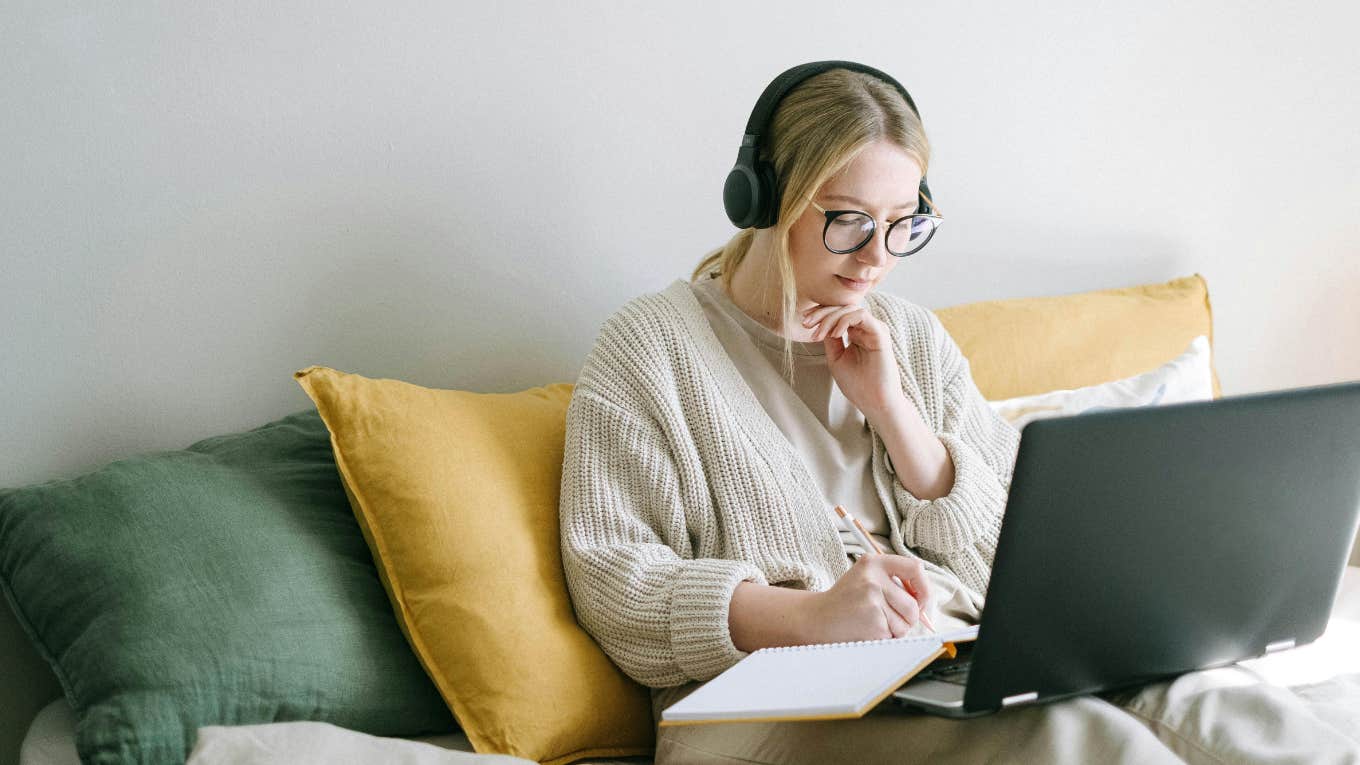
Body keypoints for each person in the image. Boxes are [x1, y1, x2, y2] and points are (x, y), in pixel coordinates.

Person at [558, 62, 1360, 764]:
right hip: (758, 708)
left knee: (1227, 712)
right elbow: (618, 584)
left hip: (950, 663)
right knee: (1086, 742)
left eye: (902, 224)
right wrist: (812, 616)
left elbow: (1017, 543)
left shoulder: (907, 335)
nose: (877, 256)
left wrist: (896, 413)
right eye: (848, 220)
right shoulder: (649, 350)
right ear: (765, 200)